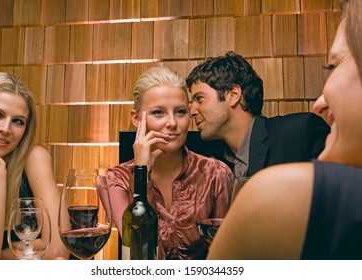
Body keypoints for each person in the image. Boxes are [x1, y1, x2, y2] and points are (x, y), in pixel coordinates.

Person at [208, 0, 362, 260]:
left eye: (333, 66)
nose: (320, 103)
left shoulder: (279, 185)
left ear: (234, 95)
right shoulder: (214, 164)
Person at [100, 66, 231, 259]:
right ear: (136, 119)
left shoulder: (217, 174)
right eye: (158, 112)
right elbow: (139, 253)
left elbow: (224, 257)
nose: (172, 122)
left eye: (180, 111)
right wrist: (142, 171)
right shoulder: (114, 180)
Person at [186, 51, 330, 178]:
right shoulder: (204, 155)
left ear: (233, 95)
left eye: (200, 99)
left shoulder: (299, 133)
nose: (192, 112)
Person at [0, 72, 69, 260]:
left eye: (18, 121)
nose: (6, 129)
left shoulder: (34, 158)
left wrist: (2, 256)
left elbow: (58, 249)